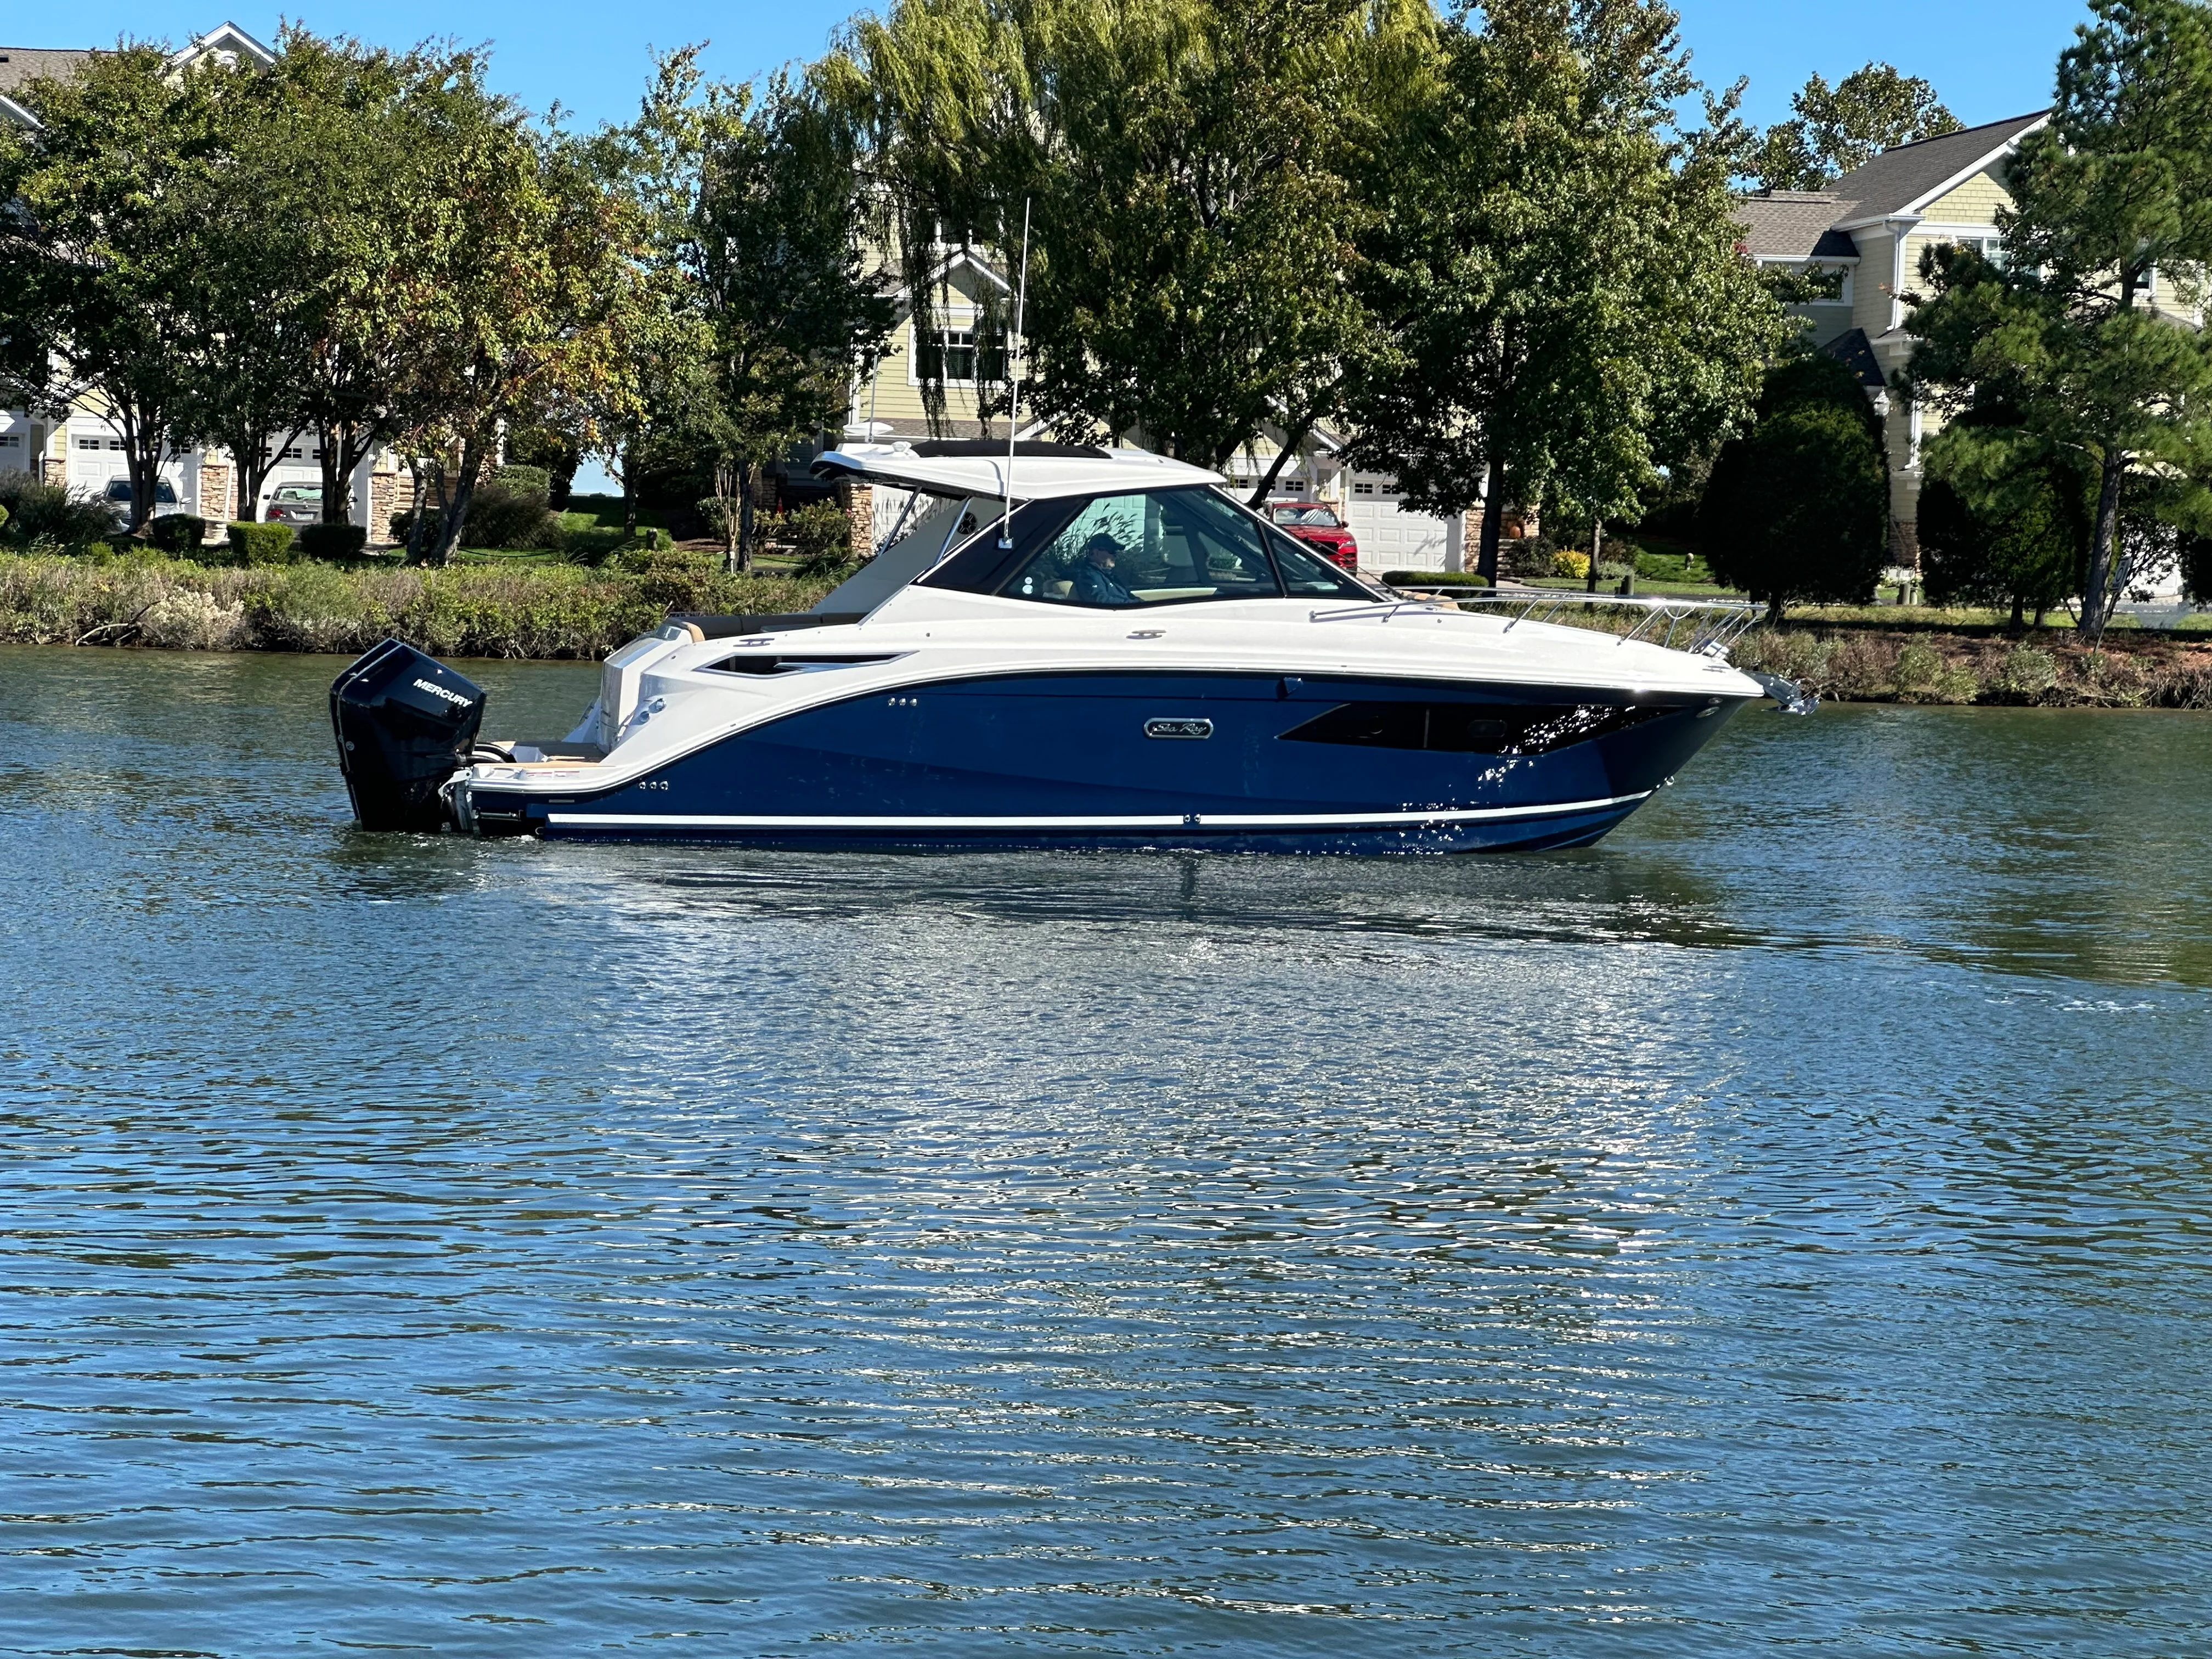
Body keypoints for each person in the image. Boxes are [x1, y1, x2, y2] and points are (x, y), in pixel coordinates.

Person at [1069, 531, 1139, 606]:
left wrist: (1140, 603)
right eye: (1112, 551)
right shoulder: (1088, 576)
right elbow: (1101, 602)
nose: (1115, 555)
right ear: (1096, 553)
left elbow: (1128, 595)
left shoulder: (1109, 576)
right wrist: (1134, 605)